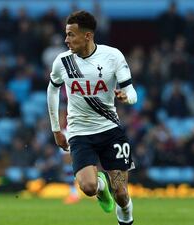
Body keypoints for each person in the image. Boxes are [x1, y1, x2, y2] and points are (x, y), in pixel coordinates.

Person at [47, 11, 137, 225]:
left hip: (110, 130)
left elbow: (132, 91)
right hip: (79, 133)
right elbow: (52, 90)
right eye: (66, 35)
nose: (66, 40)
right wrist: (56, 129)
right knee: (88, 188)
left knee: (122, 194)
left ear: (87, 36)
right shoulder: (63, 62)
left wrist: (127, 97)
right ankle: (101, 186)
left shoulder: (112, 56)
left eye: (71, 35)